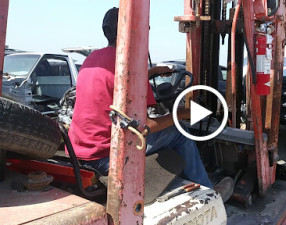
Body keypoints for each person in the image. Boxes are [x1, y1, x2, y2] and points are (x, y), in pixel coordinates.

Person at [69, 7, 234, 200]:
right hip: (106, 156)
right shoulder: (131, 67)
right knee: (178, 133)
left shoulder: (93, 59)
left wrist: (151, 72)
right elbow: (144, 127)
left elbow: (117, 81)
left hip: (79, 151)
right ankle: (209, 192)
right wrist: (181, 113)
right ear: (136, 30)